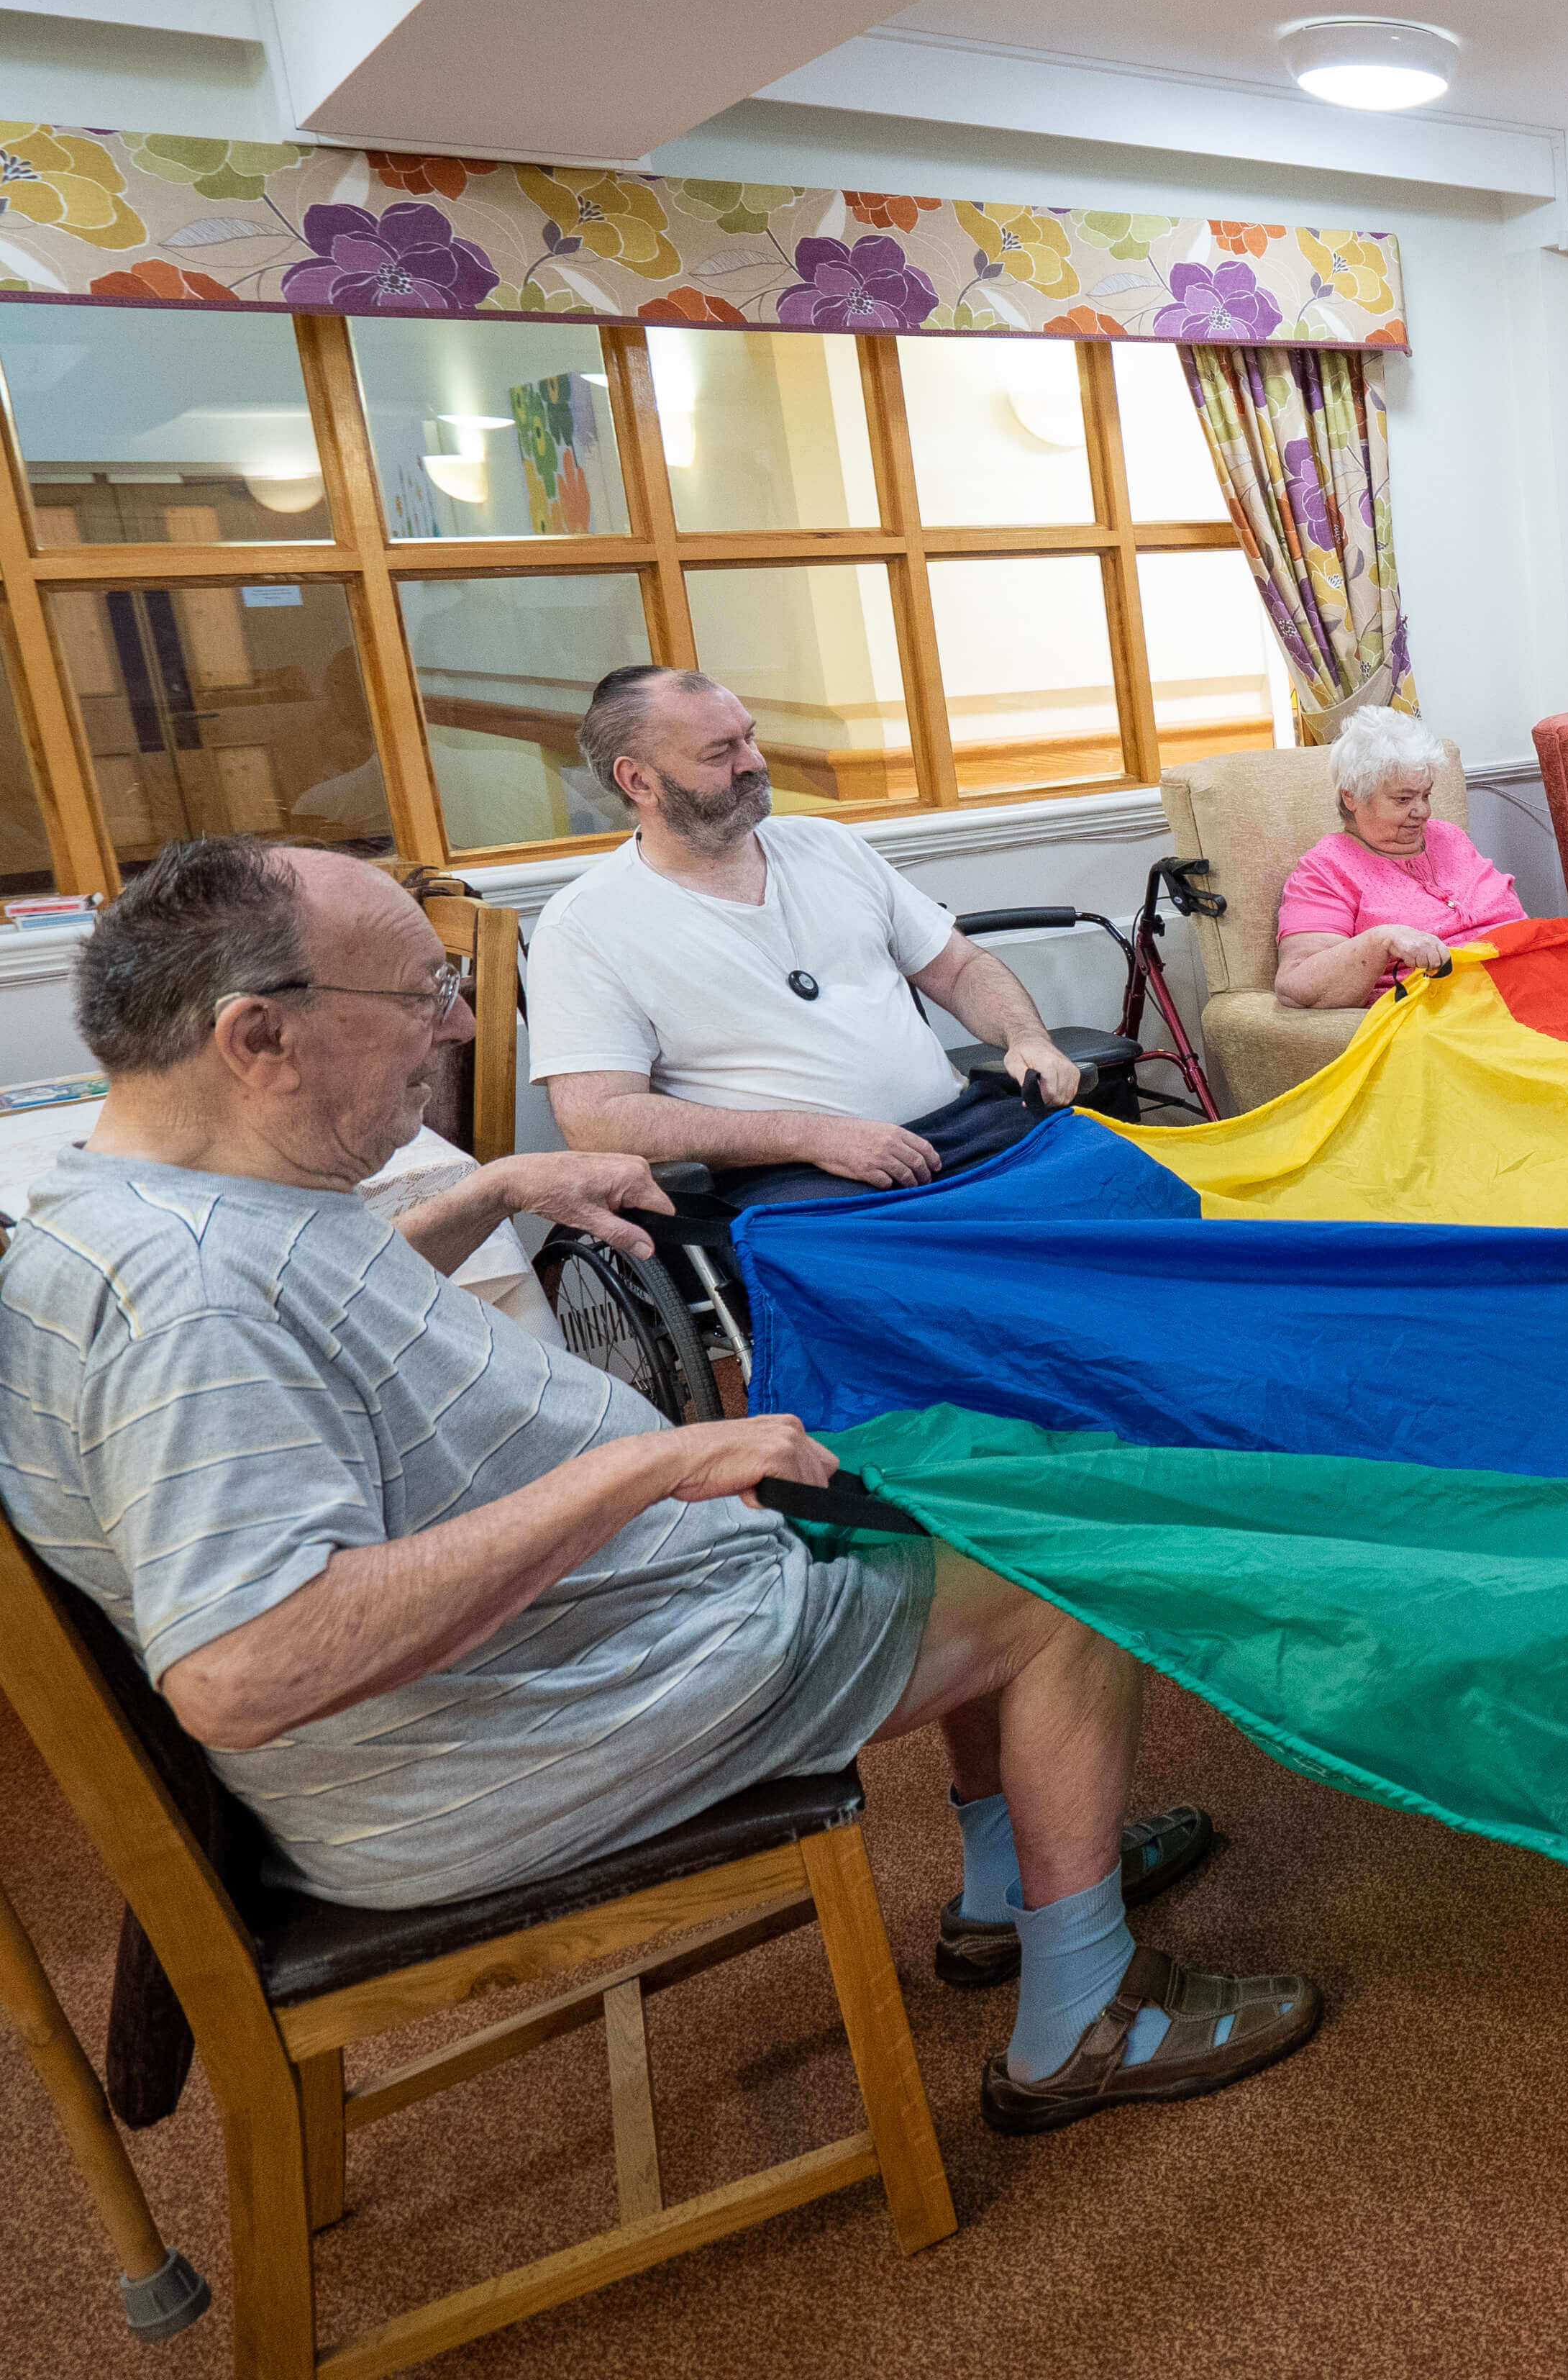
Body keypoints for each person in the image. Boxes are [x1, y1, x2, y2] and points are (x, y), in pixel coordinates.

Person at [0, 840, 1314, 2131]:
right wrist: (655, 1464)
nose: (451, 1032)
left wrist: (506, 1186)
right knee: (1050, 1568)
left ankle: (1003, 1884)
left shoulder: (153, 1205)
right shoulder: (185, 1306)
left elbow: (325, 1301)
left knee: (931, 1465)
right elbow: (245, 1668)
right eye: (416, 999)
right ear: (255, 1037)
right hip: (500, 1741)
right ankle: (1084, 2014)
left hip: (516, 1671)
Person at [529, 668, 1077, 1208]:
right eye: (719, 753)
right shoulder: (584, 923)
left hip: (959, 1131)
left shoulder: (828, 845)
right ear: (638, 781)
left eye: (750, 737)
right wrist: (814, 1136)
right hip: (797, 1178)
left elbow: (958, 969)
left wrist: (1026, 1037)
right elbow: (598, 1118)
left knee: (1124, 1189)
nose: (754, 763)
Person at [1275, 705, 1524, 1007]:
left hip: (1521, 985)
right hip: (1443, 1011)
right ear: (1351, 796)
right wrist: (1381, 940)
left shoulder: (1449, 837)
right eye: (1403, 799)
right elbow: (1296, 987)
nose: (1422, 812)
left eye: (1426, 795)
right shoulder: (1326, 870)